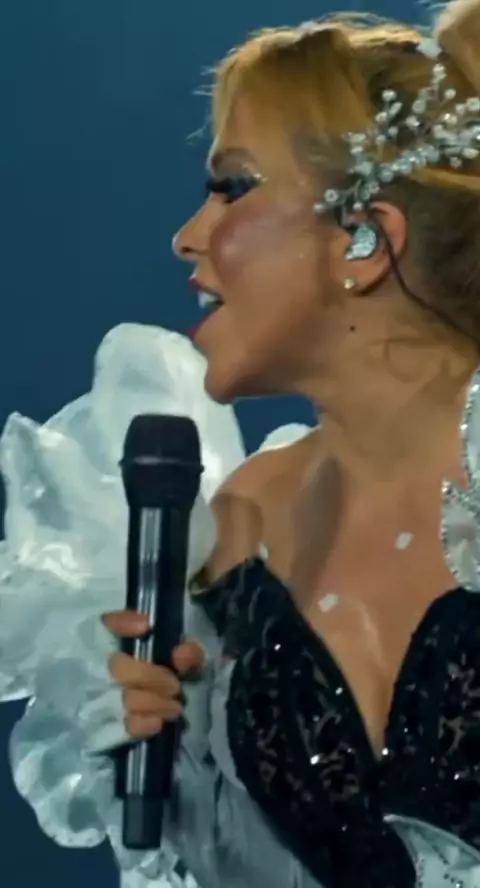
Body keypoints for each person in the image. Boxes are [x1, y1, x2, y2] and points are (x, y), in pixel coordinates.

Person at [3, 1, 480, 886]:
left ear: (368, 238)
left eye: (232, 186)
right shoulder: (236, 531)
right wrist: (192, 785)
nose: (188, 236)